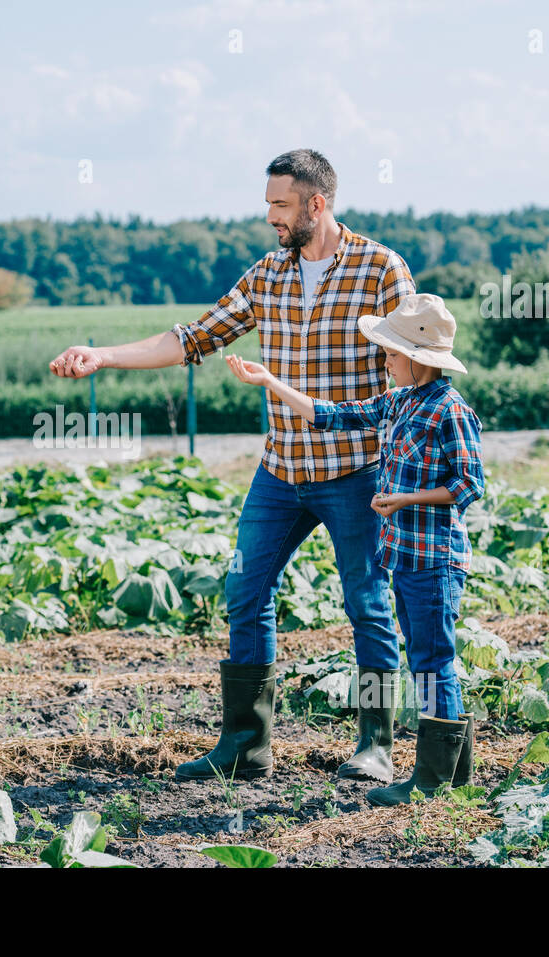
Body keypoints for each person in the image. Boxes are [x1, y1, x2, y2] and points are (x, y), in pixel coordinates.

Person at [49, 148, 419, 783]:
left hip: (357, 471)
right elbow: (193, 337)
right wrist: (103, 354)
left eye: (280, 205)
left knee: (367, 601)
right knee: (245, 590)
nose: (271, 216)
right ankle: (246, 745)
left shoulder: (379, 269)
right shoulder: (267, 274)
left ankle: (376, 745)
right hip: (281, 472)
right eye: (268, 204)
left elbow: (417, 361)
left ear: (316, 204)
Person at [225, 292, 486, 804]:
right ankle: (449, 778)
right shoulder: (399, 402)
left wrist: (402, 498)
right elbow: (330, 416)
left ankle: (434, 781)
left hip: (435, 560)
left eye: (390, 354)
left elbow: (469, 484)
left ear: (418, 359)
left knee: (434, 660)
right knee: (427, 658)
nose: (384, 361)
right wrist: (271, 383)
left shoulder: (450, 410)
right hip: (405, 557)